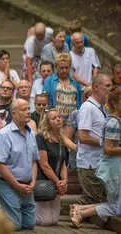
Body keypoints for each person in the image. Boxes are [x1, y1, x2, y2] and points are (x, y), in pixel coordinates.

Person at [70, 87, 121, 228]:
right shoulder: (113, 122)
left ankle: (80, 209)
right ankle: (80, 212)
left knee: (115, 205)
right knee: (115, 207)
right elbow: (108, 148)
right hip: (112, 168)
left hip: (115, 166)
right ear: (115, 103)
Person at [0, 99, 39, 230]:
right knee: (14, 226)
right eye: (23, 109)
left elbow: (34, 160)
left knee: (30, 224)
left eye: (28, 108)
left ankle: (4, 212)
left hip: (27, 185)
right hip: (9, 184)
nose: (28, 112)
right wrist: (16, 185)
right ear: (13, 113)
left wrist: (33, 182)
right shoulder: (4, 134)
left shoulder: (31, 133)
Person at [76, 74, 112, 205]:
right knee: (93, 202)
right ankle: (73, 210)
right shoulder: (87, 108)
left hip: (100, 162)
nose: (110, 89)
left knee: (98, 201)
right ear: (96, 87)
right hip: (89, 164)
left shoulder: (101, 107)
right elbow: (82, 136)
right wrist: (106, 143)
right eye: (107, 86)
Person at [35, 108, 68, 226]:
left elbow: (63, 161)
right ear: (47, 122)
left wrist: (64, 180)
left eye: (59, 117)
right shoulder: (40, 138)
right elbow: (44, 165)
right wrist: (58, 181)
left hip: (56, 182)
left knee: (54, 220)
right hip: (43, 181)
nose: (58, 119)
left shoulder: (60, 138)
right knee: (46, 221)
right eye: (54, 118)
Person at [43, 53, 82, 121]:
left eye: (67, 67)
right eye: (61, 68)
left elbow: (79, 104)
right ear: (56, 68)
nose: (64, 70)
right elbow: (45, 101)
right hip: (55, 121)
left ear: (70, 67)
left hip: (72, 122)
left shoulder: (75, 83)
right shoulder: (49, 81)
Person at [64, 87, 92, 169]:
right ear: (85, 99)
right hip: (78, 159)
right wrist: (77, 148)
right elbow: (66, 138)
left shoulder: (103, 113)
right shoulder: (76, 114)